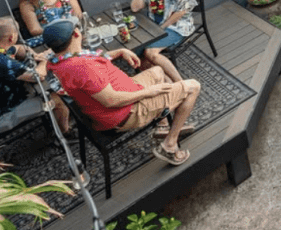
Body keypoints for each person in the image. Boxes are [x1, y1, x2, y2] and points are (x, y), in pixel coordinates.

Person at [43, 19, 201, 166]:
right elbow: (111, 100)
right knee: (193, 87)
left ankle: (162, 125)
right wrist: (149, 92)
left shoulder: (56, 61)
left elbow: (88, 58)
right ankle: (169, 145)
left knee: (158, 71)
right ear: (76, 34)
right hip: (125, 112)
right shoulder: (83, 68)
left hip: (122, 95)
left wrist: (119, 51)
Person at [0, 17, 68, 135]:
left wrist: (33, 55)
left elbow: (17, 48)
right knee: (58, 99)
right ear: (12, 37)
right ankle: (65, 134)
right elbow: (38, 77)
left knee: (38, 90)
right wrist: (47, 58)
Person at [130, 0, 195, 83]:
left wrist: (162, 28)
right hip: (153, 22)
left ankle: (181, 84)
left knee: (150, 52)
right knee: (136, 50)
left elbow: (182, 10)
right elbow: (135, 8)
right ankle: (166, 84)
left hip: (176, 24)